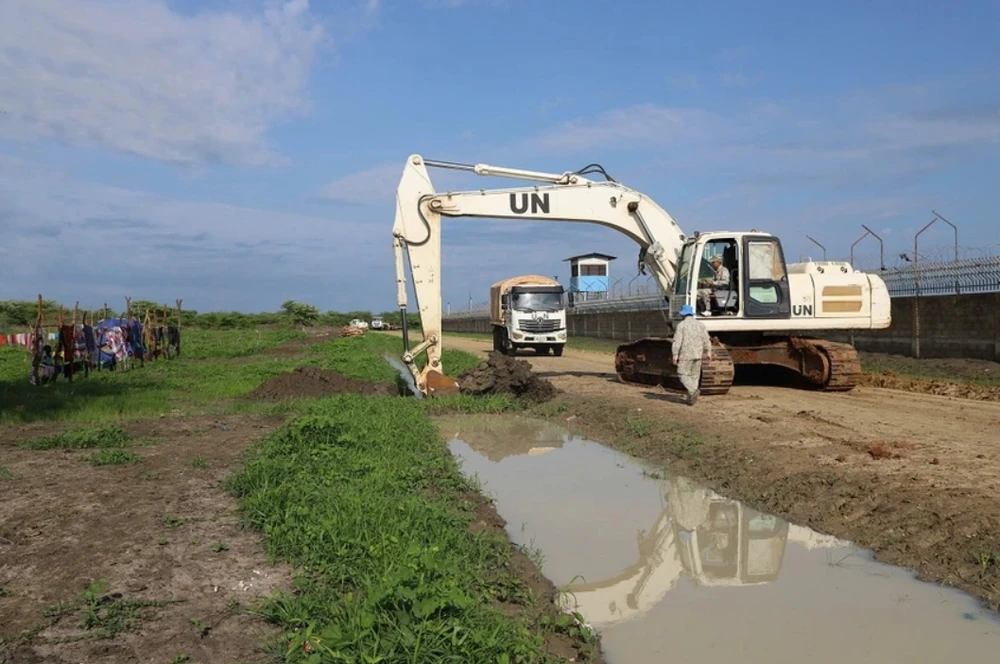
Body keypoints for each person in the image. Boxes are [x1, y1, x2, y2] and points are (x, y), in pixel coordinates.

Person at [671, 304, 713, 405]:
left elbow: (677, 341)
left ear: (683, 314)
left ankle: (693, 390)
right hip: (698, 354)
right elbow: (706, 339)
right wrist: (708, 351)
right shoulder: (700, 325)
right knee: (694, 376)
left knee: (682, 373)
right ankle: (690, 399)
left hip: (685, 355)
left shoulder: (681, 325)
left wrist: (675, 355)